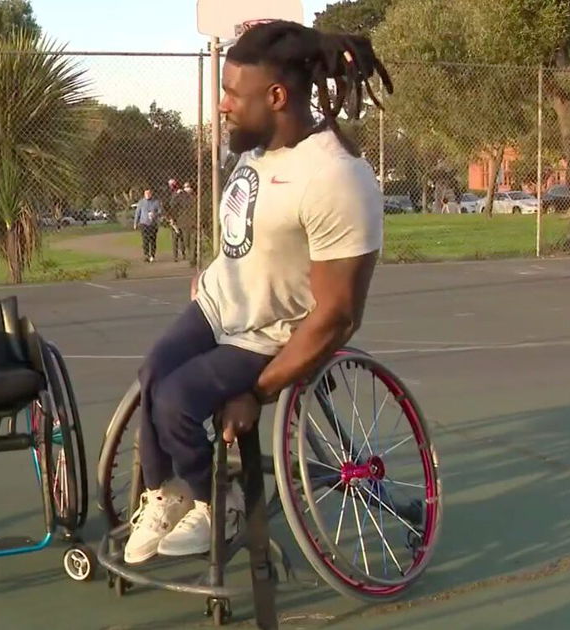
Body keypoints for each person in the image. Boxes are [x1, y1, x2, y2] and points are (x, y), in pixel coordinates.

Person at [123, 20, 392, 564]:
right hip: (220, 306)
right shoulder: (254, 149)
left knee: (177, 402)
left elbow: (339, 316)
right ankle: (166, 493)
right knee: (153, 373)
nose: (222, 105)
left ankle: (216, 505)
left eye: (231, 94)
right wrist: (217, 271)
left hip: (267, 333)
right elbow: (249, 233)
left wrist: (260, 391)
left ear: (276, 96)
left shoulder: (335, 177)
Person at [133, 188, 162, 262]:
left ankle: (152, 255)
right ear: (144, 194)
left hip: (153, 224)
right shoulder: (141, 202)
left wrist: (154, 214)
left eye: (149, 193)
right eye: (146, 193)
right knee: (145, 240)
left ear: (151, 194)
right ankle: (146, 255)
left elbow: (160, 212)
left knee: (152, 240)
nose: (148, 195)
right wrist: (135, 223)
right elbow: (137, 213)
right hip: (144, 224)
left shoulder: (156, 202)